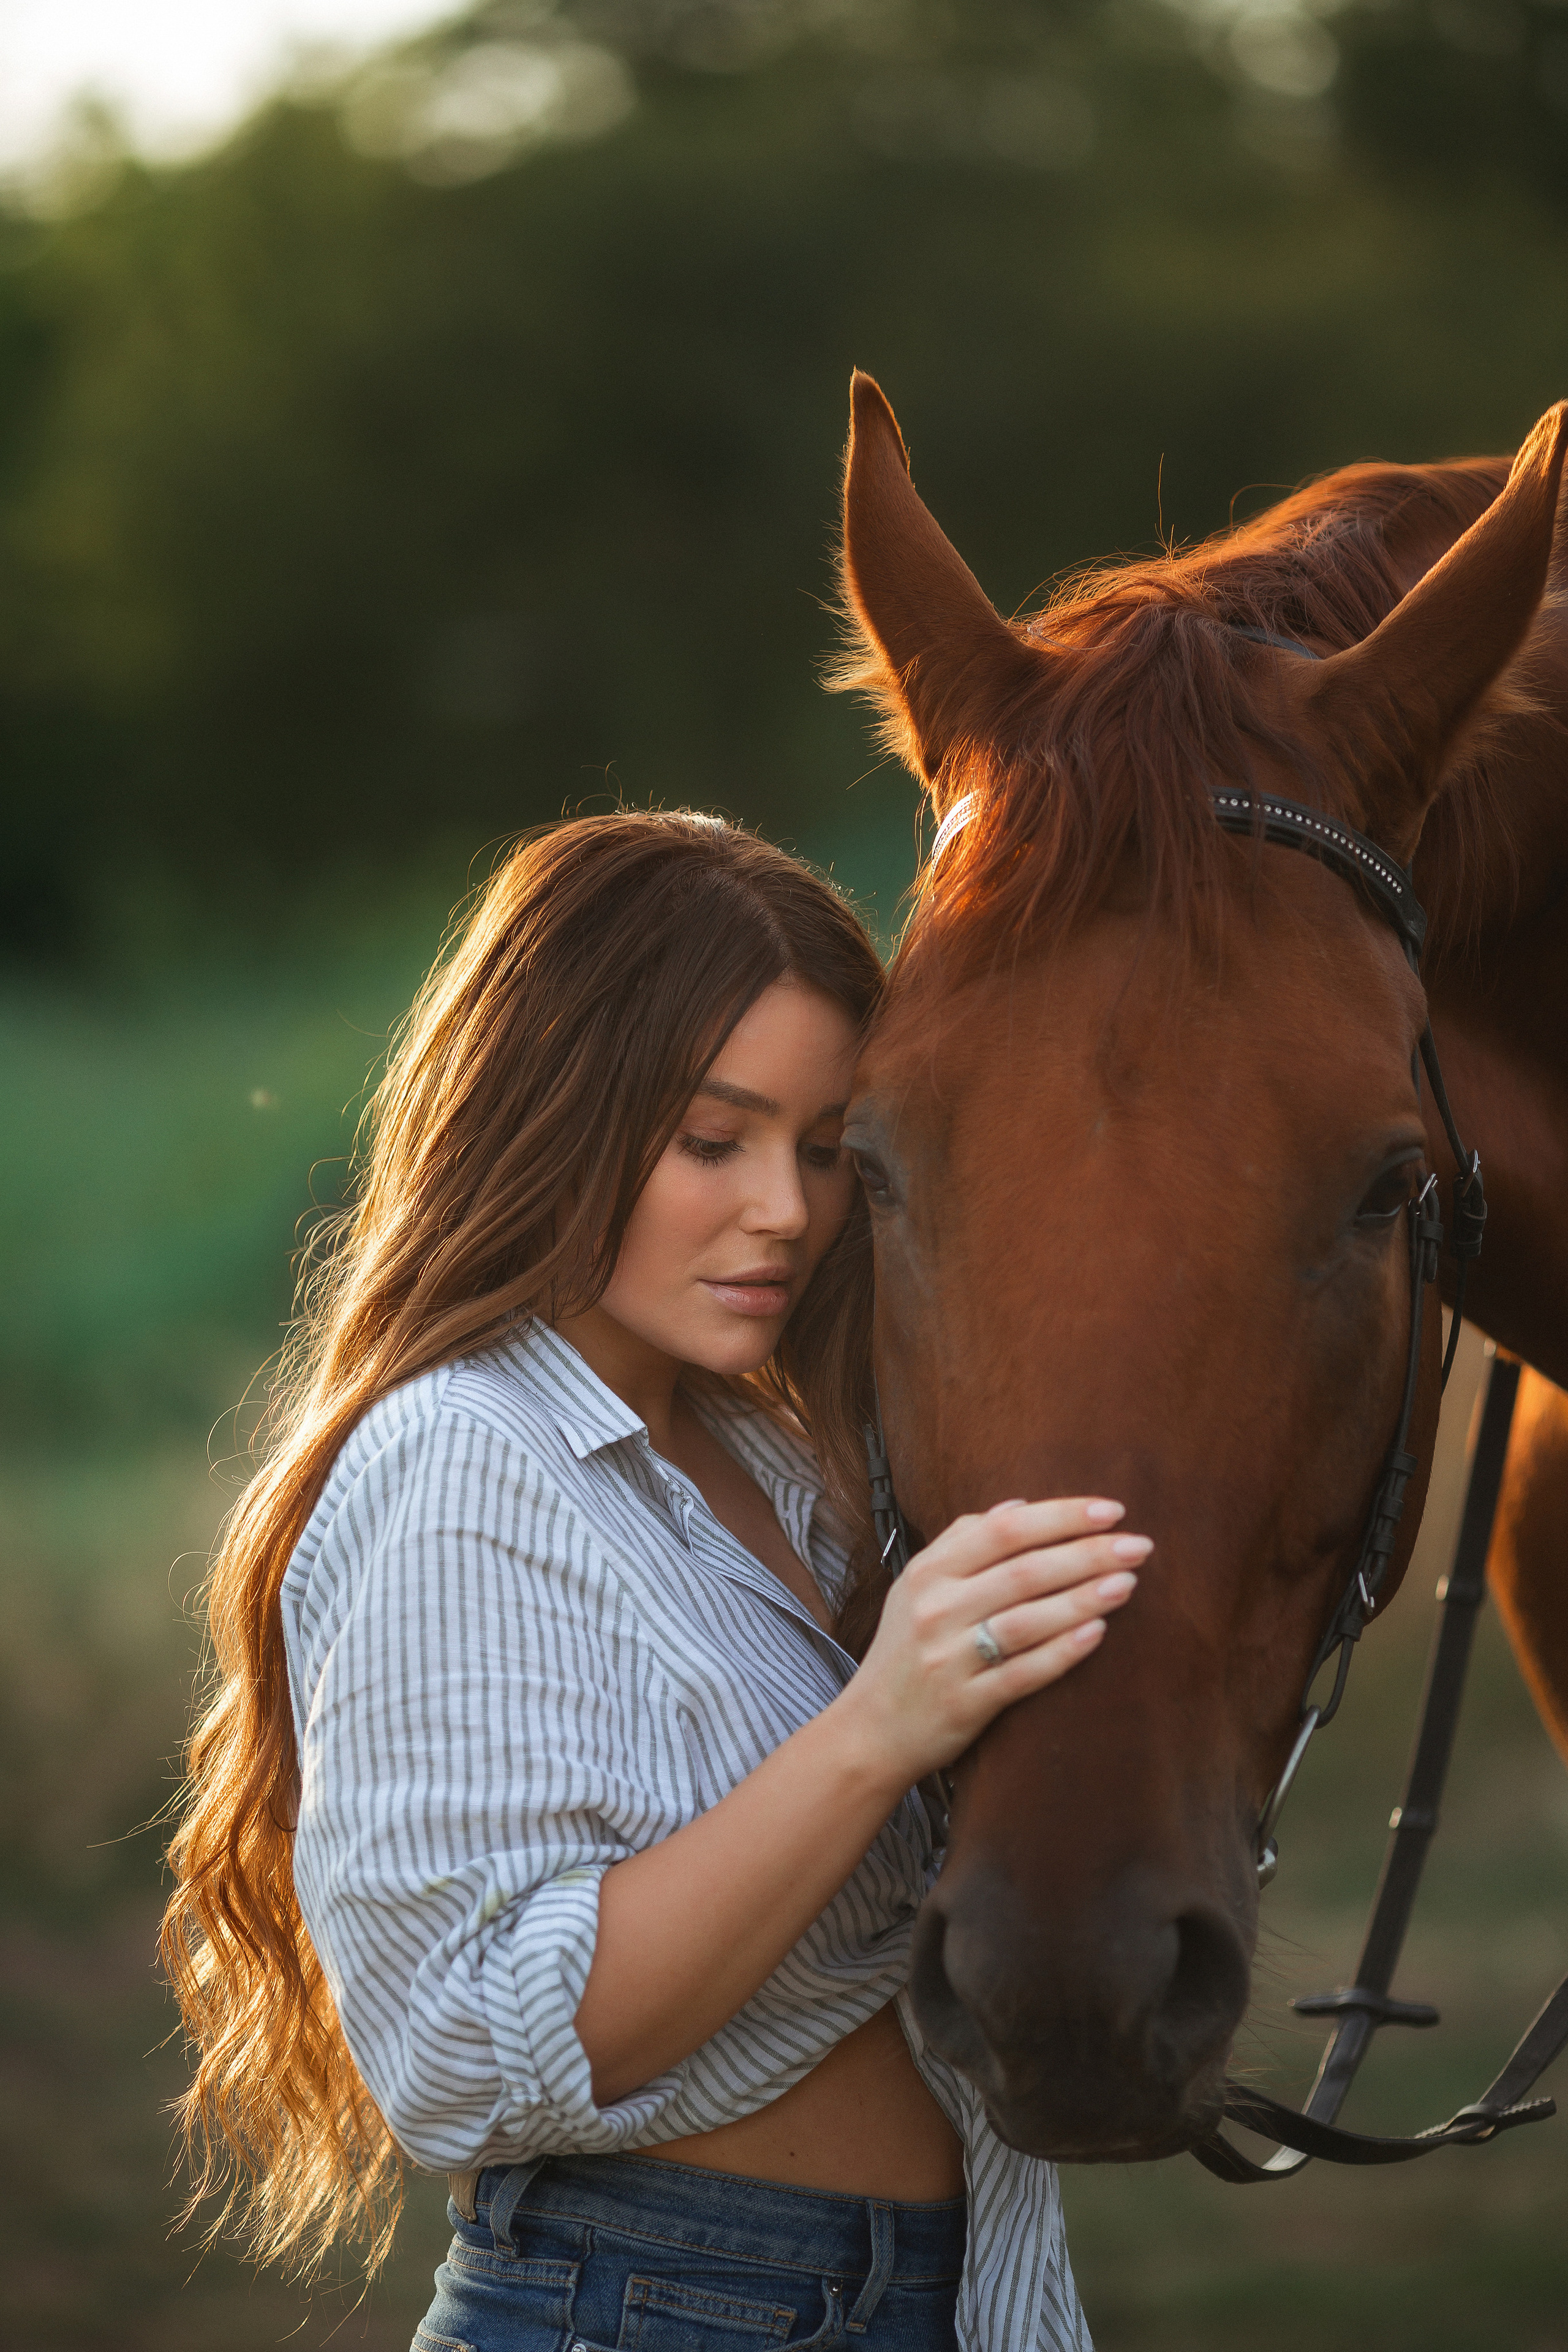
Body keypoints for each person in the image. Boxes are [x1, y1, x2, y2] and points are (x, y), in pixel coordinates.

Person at [163, 810, 1145, 2352]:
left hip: (947, 2297)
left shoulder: (778, 1462)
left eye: (823, 1149)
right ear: (552, 1114)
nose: (786, 1211)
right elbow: (460, 2052)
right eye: (714, 1141)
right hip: (656, 2308)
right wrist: (872, 1729)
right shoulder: (464, 1456)